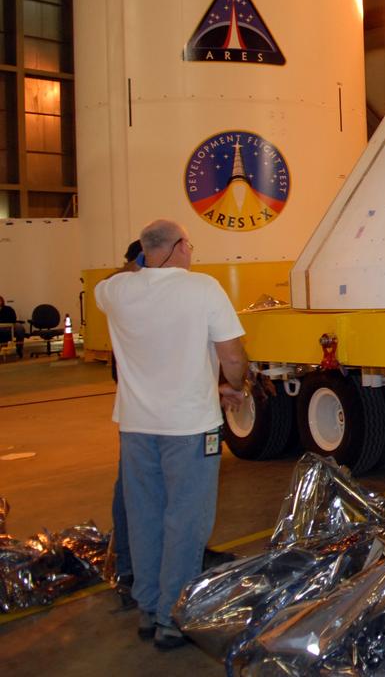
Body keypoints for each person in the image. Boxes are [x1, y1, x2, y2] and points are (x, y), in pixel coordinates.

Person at [95, 220, 247, 650]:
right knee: (186, 520)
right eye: (189, 244)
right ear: (180, 246)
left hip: (137, 427)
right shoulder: (202, 288)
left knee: (144, 516)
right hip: (190, 428)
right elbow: (232, 354)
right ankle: (171, 618)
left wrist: (142, 262)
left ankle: (148, 608)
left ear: (144, 251)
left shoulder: (118, 293)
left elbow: (113, 280)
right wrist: (235, 386)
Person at [108, 239, 146, 611]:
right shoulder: (123, 291)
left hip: (165, 416)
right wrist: (138, 264)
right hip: (140, 416)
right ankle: (130, 568)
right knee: (133, 489)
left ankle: (145, 566)